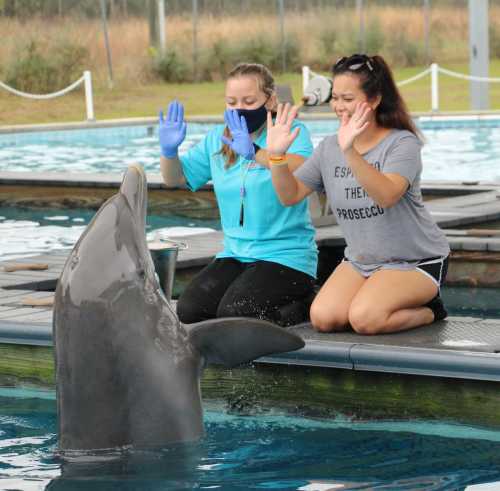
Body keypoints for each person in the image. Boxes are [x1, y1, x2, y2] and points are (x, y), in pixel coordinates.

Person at [266, 54, 450, 335]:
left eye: (348, 99)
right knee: (324, 318)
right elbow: (290, 195)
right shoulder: (329, 147)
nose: (339, 106)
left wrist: (350, 150)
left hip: (415, 261)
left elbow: (386, 195)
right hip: (362, 261)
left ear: (374, 100)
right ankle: (377, 293)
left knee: (366, 319)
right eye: (336, 98)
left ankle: (431, 310)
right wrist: (276, 157)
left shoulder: (402, 143)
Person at [158, 62, 318, 326]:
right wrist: (168, 151)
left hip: (287, 256)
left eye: (248, 100)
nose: (239, 108)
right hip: (236, 253)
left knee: (236, 313)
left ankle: (303, 304)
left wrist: (256, 151)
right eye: (232, 102)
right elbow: (175, 178)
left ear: (270, 100)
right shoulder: (217, 139)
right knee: (190, 310)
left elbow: (304, 169)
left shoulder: (288, 131)